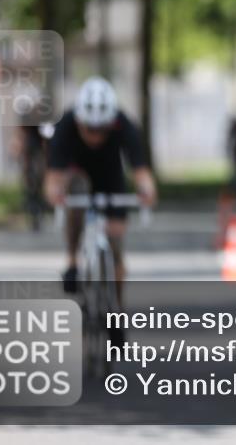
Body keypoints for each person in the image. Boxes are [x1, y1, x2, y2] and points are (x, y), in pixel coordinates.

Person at [43, 76, 157, 304]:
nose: (95, 136)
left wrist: (146, 191)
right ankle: (73, 262)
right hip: (77, 177)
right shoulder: (65, 125)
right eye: (90, 129)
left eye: (101, 129)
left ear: (111, 123)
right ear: (79, 121)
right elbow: (53, 178)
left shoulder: (124, 124)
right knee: (76, 191)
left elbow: (141, 172)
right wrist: (55, 194)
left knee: (116, 247)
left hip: (110, 176)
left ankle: (116, 309)